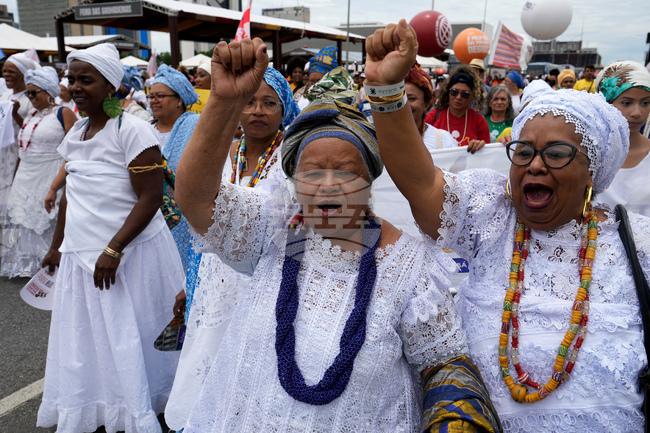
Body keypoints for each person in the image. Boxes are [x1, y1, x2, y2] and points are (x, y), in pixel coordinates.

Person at [173, 38, 500, 432]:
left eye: (346, 172)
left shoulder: (410, 266)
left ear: (369, 180)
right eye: (312, 172)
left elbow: (444, 361)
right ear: (293, 180)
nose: (328, 185)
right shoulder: (271, 230)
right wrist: (224, 101)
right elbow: (193, 198)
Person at [366, 20, 648, 432]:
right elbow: (422, 181)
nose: (535, 164)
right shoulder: (490, 214)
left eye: (555, 153)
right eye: (524, 151)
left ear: (594, 170)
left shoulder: (635, 243)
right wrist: (385, 89)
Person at [37, 43, 183, 433]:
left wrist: (114, 249)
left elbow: (152, 196)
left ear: (112, 85)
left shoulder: (132, 129)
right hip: (83, 256)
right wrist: (56, 246)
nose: (76, 87)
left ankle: (144, 405)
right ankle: (105, 404)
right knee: (92, 338)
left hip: (130, 256)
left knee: (132, 332)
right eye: (72, 80)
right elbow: (74, 191)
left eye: (87, 79)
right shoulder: (80, 130)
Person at [164, 66, 300, 431]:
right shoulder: (222, 152)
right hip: (214, 279)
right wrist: (188, 284)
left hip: (263, 276)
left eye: (269, 103)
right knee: (208, 351)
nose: (258, 110)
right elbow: (199, 219)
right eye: (249, 101)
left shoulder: (294, 156)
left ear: (284, 109)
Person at [0, 67, 76, 278]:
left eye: (35, 92)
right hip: (26, 174)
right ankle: (29, 264)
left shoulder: (63, 112)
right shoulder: (32, 114)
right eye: (28, 93)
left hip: (49, 173)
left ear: (49, 91)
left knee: (46, 217)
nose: (30, 97)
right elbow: (26, 141)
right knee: (24, 217)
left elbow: (76, 145)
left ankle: (51, 262)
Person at [149, 64, 200, 269]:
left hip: (186, 216)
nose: (153, 100)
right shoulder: (143, 129)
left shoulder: (196, 125)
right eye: (150, 95)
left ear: (179, 99)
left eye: (159, 95)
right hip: (148, 215)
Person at [596, 61, 650, 216]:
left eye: (645, 103)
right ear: (606, 103)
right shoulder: (589, 155)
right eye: (627, 103)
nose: (637, 112)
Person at [0, 53, 39, 222]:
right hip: (3, 150)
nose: (6, 74)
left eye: (11, 72)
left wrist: (15, 114)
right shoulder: (5, 96)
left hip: (19, 151)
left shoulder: (31, 98)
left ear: (23, 74)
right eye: (4, 71)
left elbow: (34, 129)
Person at [424, 66, 490, 152]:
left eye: (465, 94)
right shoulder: (433, 117)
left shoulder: (479, 122)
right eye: (454, 92)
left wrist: (480, 147)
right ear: (448, 92)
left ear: (473, 96)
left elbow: (487, 154)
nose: (458, 97)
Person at [405, 61, 457, 148]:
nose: (405, 105)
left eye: (412, 98)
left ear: (427, 104)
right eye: (400, 99)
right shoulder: (381, 137)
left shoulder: (443, 140)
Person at [295, 46, 338, 110]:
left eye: (319, 81)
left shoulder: (339, 102)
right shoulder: (299, 95)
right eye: (312, 82)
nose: (315, 86)